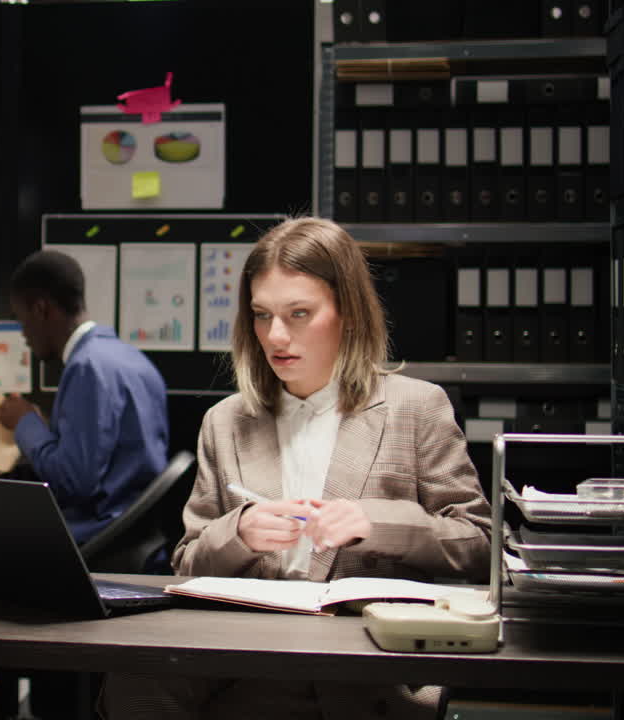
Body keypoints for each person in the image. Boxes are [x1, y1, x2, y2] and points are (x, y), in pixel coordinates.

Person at [102, 217, 492, 720]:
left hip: (366, 656)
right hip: (248, 657)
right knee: (131, 675)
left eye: (299, 313)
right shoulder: (225, 421)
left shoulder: (415, 408)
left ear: (348, 313)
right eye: (262, 316)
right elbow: (187, 563)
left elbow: (480, 544)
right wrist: (238, 532)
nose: (276, 336)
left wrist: (377, 523)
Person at [0, 248, 170, 547]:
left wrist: (26, 422)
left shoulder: (86, 366)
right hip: (135, 534)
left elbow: (71, 483)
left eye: (22, 321)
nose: (24, 335)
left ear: (40, 309)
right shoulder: (129, 357)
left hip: (97, 537)